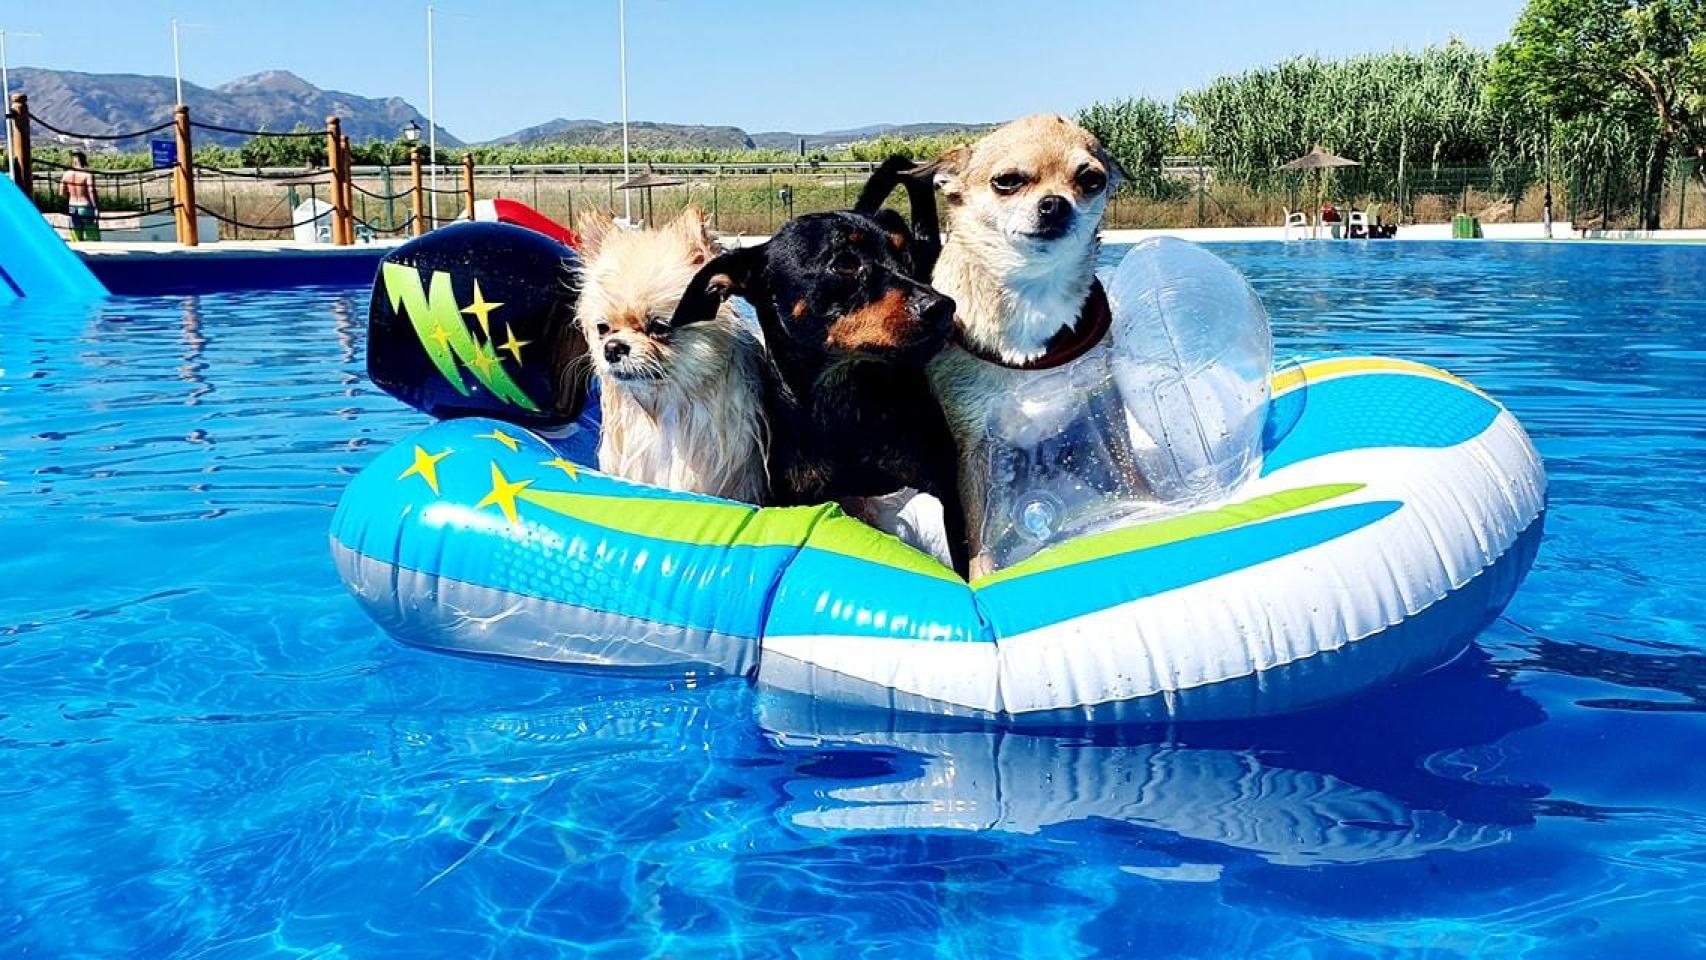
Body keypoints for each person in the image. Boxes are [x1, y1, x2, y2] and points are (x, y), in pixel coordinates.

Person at [61, 151, 101, 242]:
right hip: (85, 206)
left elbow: (61, 192)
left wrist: (69, 197)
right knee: (92, 235)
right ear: (84, 161)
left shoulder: (66, 174)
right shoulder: (87, 175)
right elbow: (91, 191)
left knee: (75, 235)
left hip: (72, 206)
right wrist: (96, 207)